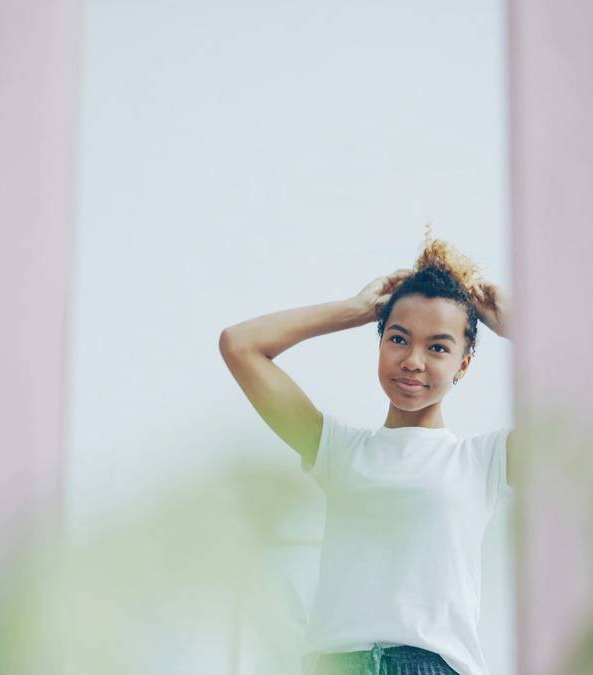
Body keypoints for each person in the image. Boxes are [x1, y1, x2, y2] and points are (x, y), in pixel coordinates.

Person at [219, 232, 514, 675]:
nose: (413, 360)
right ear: (379, 343)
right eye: (398, 339)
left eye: (438, 347)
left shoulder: (484, 460)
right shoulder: (338, 450)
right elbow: (239, 344)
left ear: (464, 364)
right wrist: (355, 310)